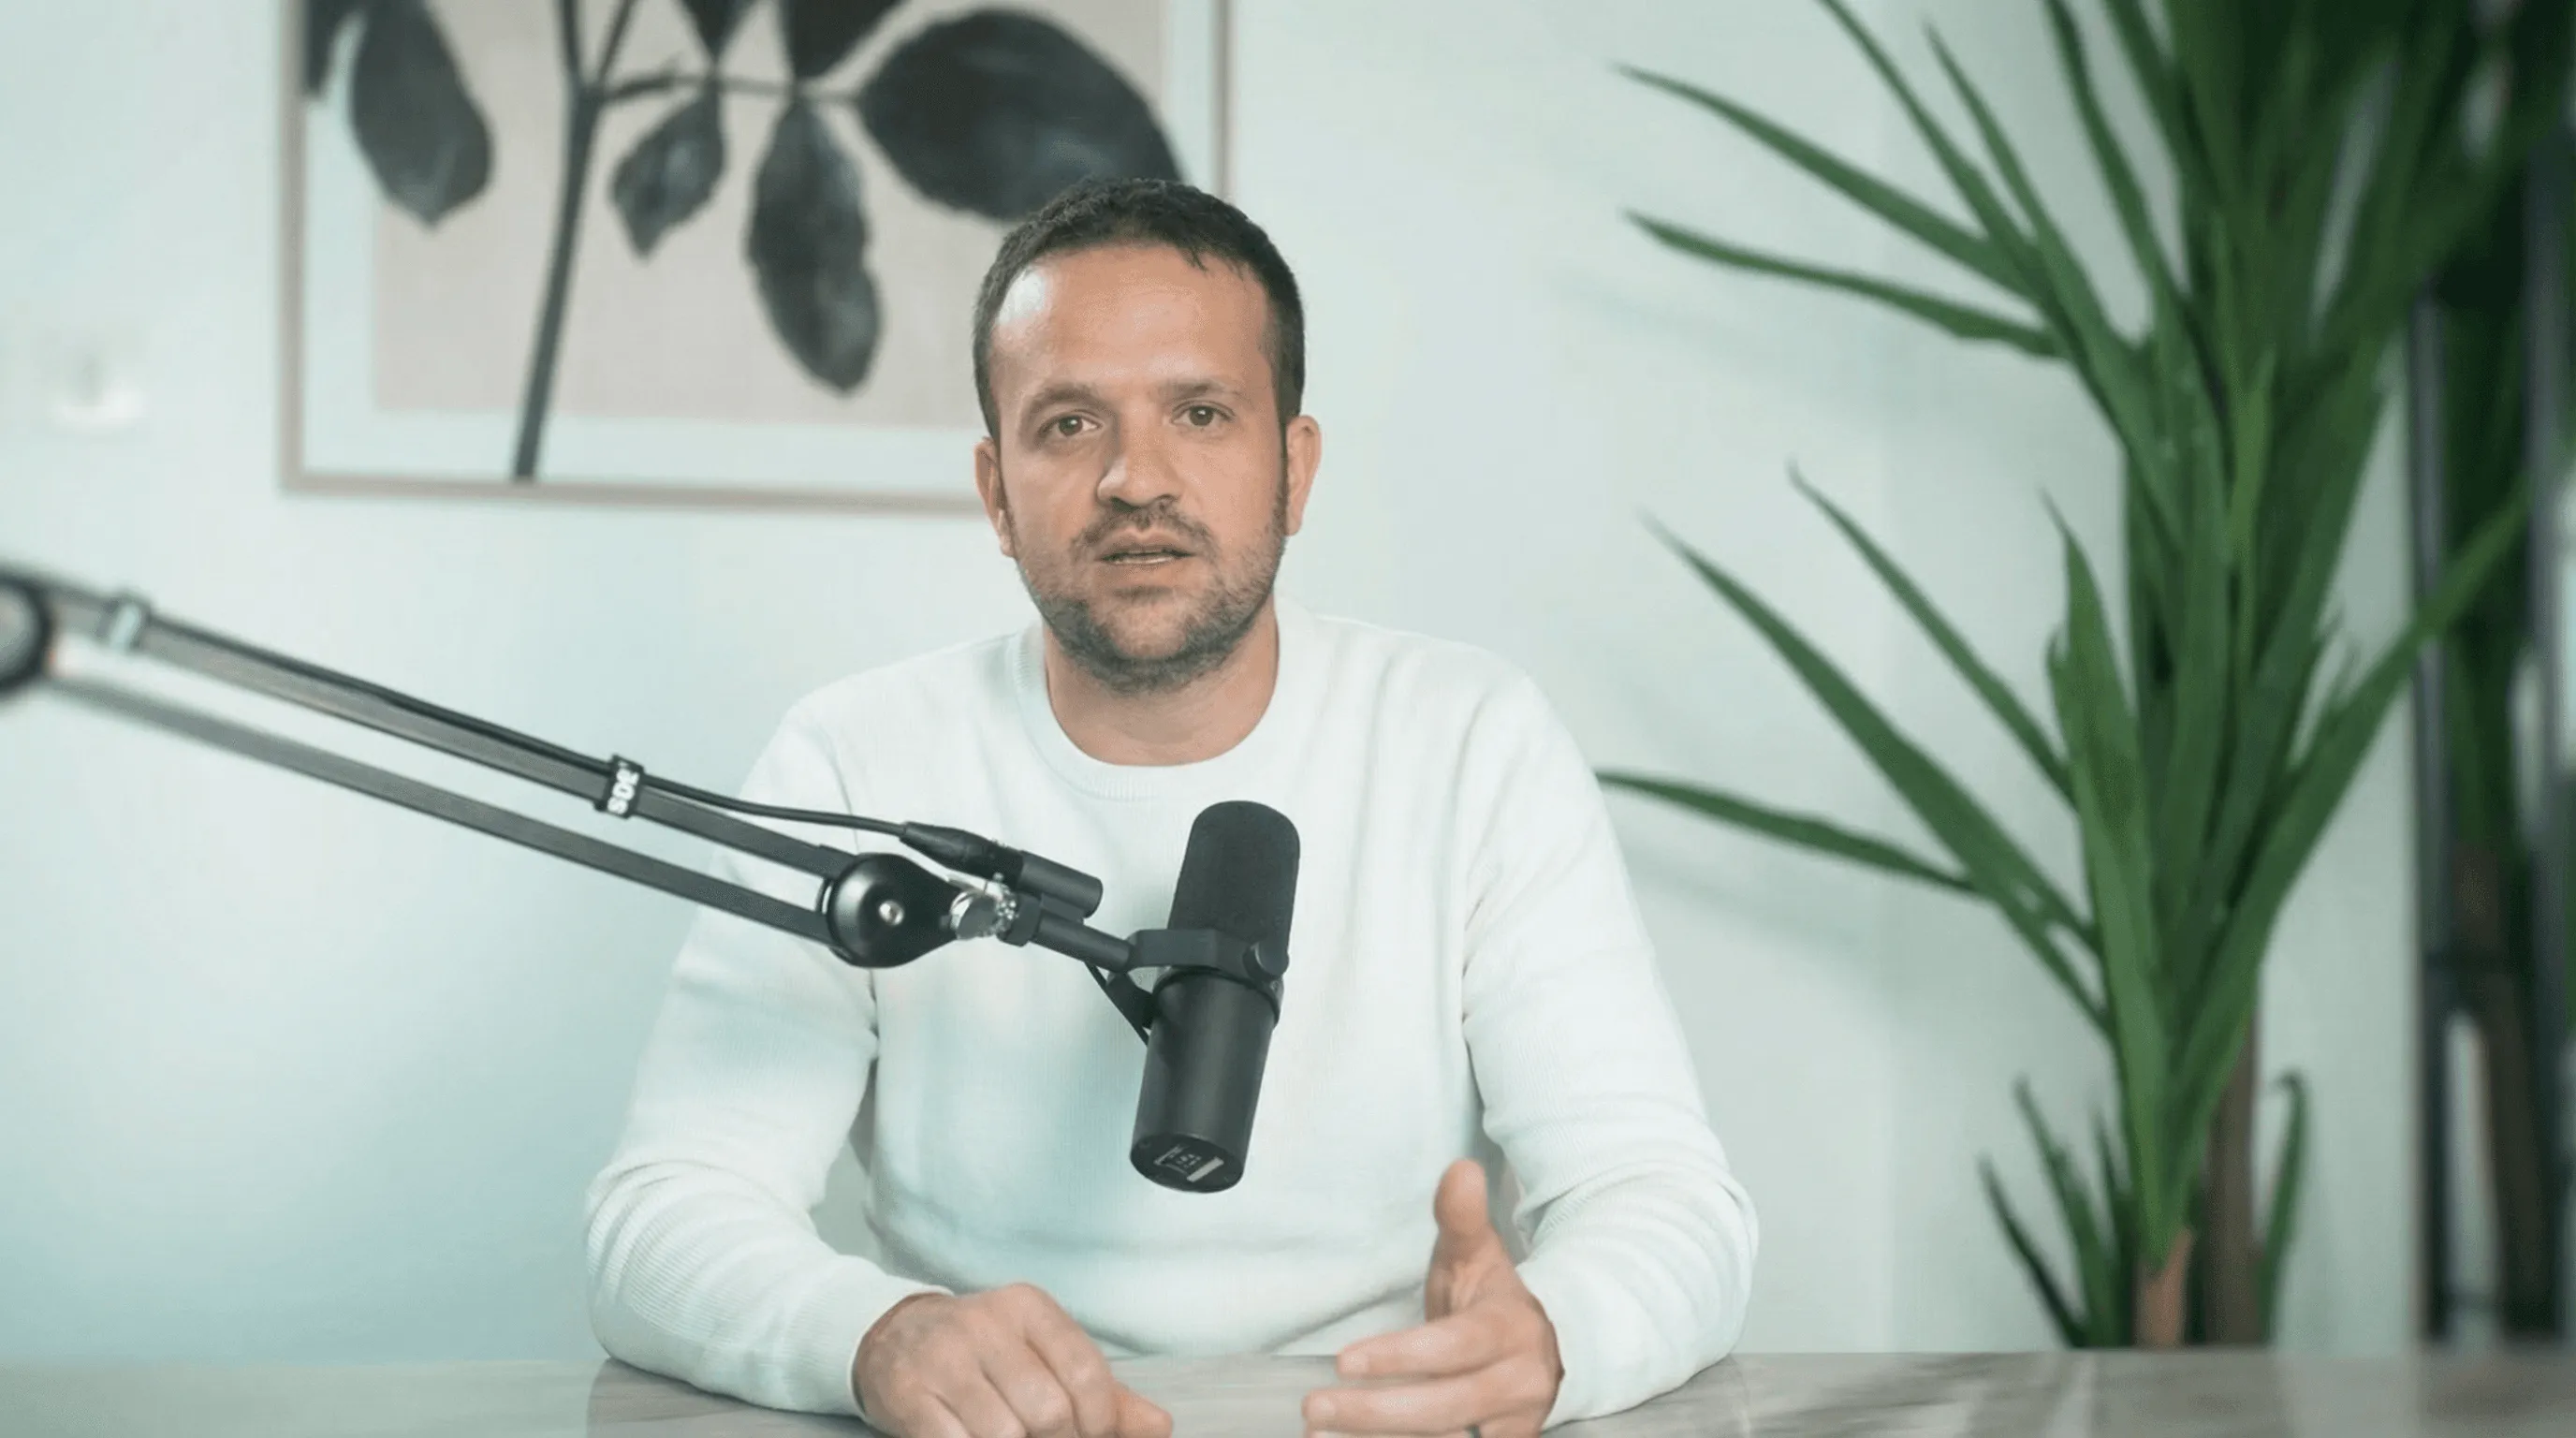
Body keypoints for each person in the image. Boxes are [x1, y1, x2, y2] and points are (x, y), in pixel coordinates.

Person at [583, 177, 1756, 1438]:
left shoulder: (1468, 739)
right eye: (1070, 423)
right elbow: (664, 1210)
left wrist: (1552, 1340)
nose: (1137, 479)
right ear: (995, 490)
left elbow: (1663, 1197)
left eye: (1201, 413)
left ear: (1294, 468)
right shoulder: (858, 762)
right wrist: (874, 1336)